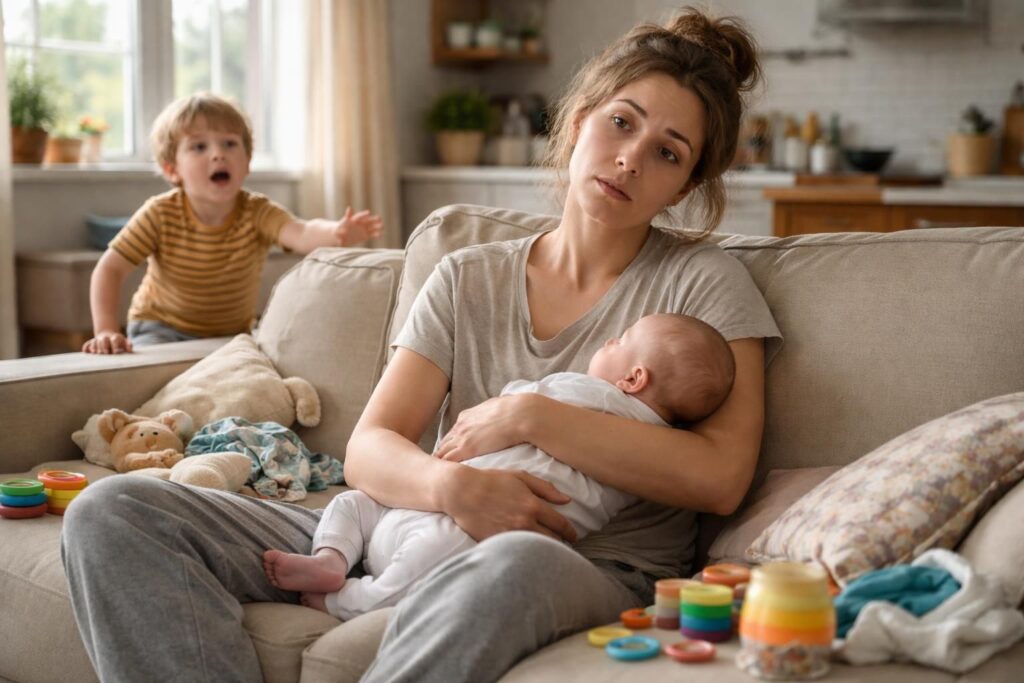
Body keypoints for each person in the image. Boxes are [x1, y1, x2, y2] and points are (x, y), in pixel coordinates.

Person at [62, 7, 782, 682]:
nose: (629, 159)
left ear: (688, 183)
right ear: (578, 120)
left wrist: (530, 417)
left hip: (577, 560)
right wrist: (452, 487)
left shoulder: (703, 283)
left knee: (510, 563)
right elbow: (372, 446)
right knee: (116, 511)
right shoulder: (469, 273)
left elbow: (720, 475)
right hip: (419, 518)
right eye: (621, 123)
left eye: (667, 152)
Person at [262, 313, 736, 619]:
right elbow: (367, 447)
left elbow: (517, 402)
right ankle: (331, 571)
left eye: (621, 339)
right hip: (437, 506)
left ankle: (340, 581)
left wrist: (520, 412)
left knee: (359, 508)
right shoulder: (657, 444)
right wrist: (448, 484)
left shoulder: (594, 397)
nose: (610, 339)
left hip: (477, 538)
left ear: (634, 378)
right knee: (363, 505)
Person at [82, 92, 383, 354]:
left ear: (248, 162)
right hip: (160, 329)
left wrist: (336, 232)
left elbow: (301, 232)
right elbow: (109, 269)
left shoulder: (257, 211)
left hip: (232, 335)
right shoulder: (159, 213)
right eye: (199, 147)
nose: (218, 155)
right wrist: (106, 330)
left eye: (229, 144)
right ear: (172, 169)